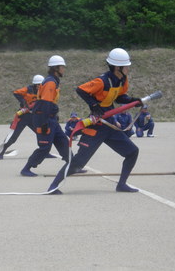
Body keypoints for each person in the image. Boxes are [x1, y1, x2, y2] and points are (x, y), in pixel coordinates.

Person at [48, 48, 143, 194]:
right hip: (97, 125)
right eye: (126, 66)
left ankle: (122, 184)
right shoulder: (103, 80)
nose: (128, 68)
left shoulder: (122, 80)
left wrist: (132, 100)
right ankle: (53, 186)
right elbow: (81, 90)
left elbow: (119, 97)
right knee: (78, 163)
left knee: (132, 152)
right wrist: (94, 105)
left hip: (110, 123)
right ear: (118, 67)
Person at [19, 55, 71, 177]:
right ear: (56, 68)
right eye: (62, 67)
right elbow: (45, 103)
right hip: (45, 118)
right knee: (45, 147)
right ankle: (26, 168)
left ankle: (73, 165)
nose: (64, 69)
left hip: (50, 117)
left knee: (63, 141)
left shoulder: (53, 81)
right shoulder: (50, 83)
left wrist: (54, 115)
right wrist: (43, 123)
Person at [0, 74, 45, 160]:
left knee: (41, 134)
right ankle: (1, 153)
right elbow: (16, 93)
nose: (39, 86)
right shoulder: (28, 89)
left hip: (33, 117)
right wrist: (23, 102)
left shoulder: (43, 91)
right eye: (38, 84)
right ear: (34, 84)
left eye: (41, 85)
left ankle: (44, 152)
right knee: (13, 137)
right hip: (23, 116)